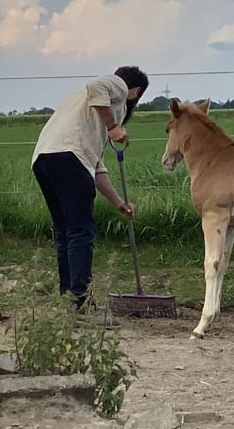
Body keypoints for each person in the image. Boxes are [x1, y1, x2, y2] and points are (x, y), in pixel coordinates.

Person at [31, 66, 149, 311]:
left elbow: (94, 166)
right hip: (69, 157)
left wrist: (119, 203)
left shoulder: (83, 113)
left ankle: (68, 297)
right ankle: (80, 300)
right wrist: (112, 126)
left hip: (44, 159)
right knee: (80, 233)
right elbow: (97, 85)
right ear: (135, 92)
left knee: (66, 232)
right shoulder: (118, 85)